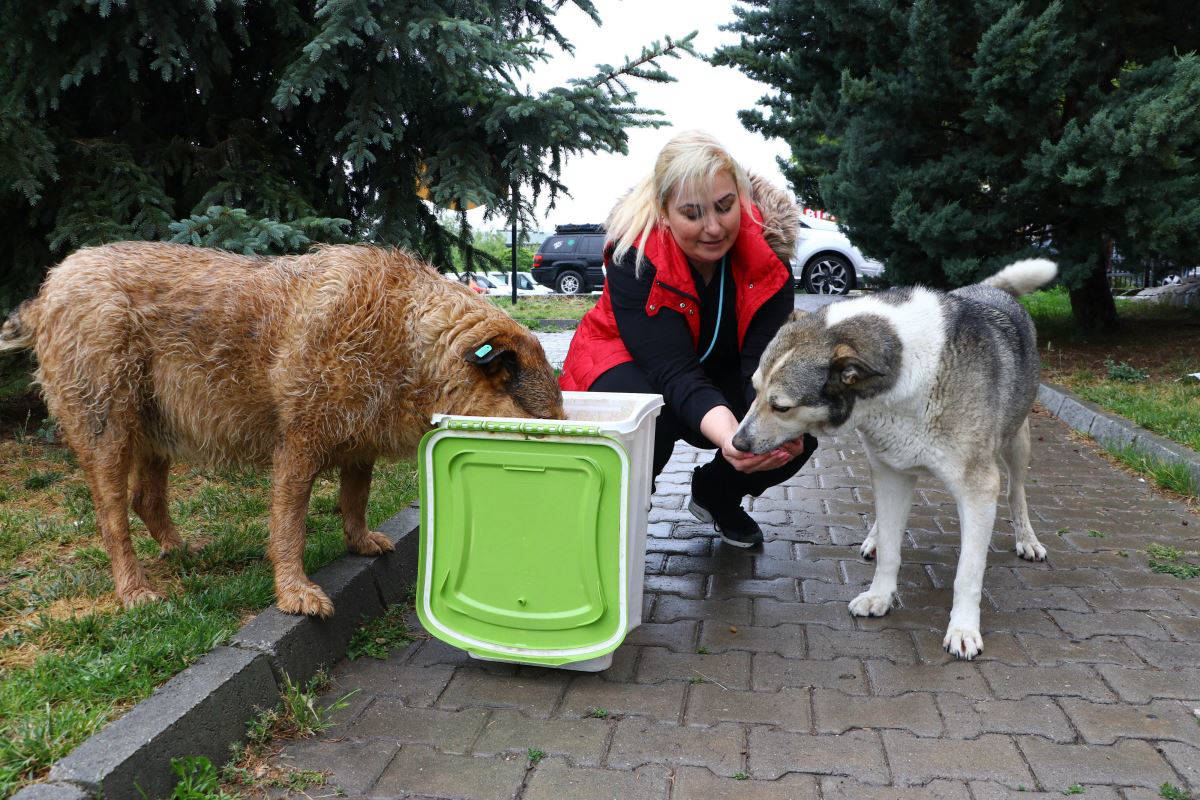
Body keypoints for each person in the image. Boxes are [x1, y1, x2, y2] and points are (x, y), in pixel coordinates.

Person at [559, 130, 817, 548]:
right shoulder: (634, 257)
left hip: (717, 373)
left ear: (741, 197)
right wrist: (730, 437)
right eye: (692, 213)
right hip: (625, 364)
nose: (713, 227)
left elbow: (760, 369)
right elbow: (674, 372)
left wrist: (759, 435)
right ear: (664, 213)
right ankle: (617, 513)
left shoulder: (771, 261)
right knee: (645, 416)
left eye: (724, 206)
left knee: (791, 434)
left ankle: (716, 496)